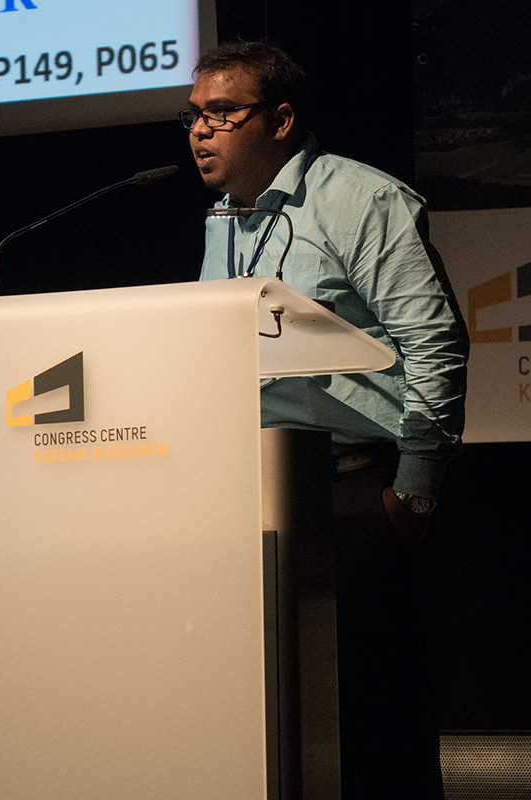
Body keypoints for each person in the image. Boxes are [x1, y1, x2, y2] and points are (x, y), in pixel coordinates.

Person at [180, 40, 469, 799]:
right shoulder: (223, 219)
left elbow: (433, 342)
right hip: (251, 502)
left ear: (280, 121)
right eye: (194, 115)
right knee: (275, 725)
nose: (201, 130)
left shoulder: (360, 199)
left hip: (353, 493)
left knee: (372, 729)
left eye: (222, 112)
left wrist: (415, 489)